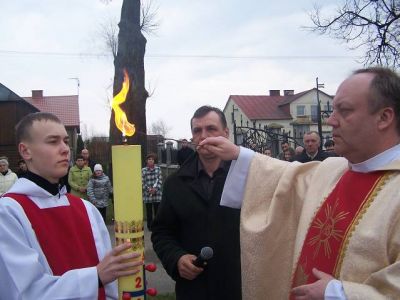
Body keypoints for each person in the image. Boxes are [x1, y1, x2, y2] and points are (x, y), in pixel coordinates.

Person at [200, 67, 400, 299]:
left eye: (344, 111)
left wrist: (338, 293)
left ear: (384, 117)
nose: (331, 120)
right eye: (333, 110)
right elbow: (286, 178)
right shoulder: (333, 170)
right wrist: (238, 154)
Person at [0, 112, 141, 299]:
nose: (65, 149)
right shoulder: (8, 212)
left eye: (66, 141)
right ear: (26, 151)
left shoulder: (87, 209)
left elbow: (111, 285)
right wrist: (95, 276)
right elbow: (25, 291)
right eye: (53, 141)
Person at [151, 106, 241, 300]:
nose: (204, 136)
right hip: (194, 289)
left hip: (239, 287)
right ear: (192, 137)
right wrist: (176, 258)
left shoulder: (245, 177)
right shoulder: (175, 183)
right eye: (197, 131)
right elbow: (161, 232)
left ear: (226, 133)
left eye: (211, 129)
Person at [141, 153, 162, 230]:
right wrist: (148, 189)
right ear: (147, 161)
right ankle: (150, 226)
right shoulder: (143, 170)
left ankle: (157, 225)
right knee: (149, 212)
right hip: (147, 194)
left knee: (157, 211)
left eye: (152, 159)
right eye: (149, 159)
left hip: (157, 194)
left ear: (154, 161)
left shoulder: (158, 169)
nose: (151, 161)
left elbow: (160, 180)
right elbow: (142, 182)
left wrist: (155, 189)